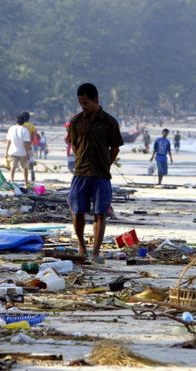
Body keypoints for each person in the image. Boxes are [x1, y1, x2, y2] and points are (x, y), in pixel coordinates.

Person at [68, 83, 124, 261]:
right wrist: (82, 159)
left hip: (101, 174)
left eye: (86, 102)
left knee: (100, 213)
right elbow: (74, 145)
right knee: (77, 211)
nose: (83, 106)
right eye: (80, 103)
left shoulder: (109, 122)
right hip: (81, 172)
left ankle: (96, 252)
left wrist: (105, 164)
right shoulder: (76, 121)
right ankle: (82, 246)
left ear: (96, 100)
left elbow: (114, 148)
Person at [5, 113, 32, 186]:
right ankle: (26, 182)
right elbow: (26, 143)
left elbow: (8, 142)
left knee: (13, 167)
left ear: (16, 121)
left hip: (12, 151)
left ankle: (12, 181)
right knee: (25, 168)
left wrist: (6, 152)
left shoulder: (11, 128)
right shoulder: (25, 130)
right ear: (24, 122)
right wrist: (27, 153)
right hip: (22, 152)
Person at [21, 112, 37, 182]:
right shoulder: (32, 126)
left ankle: (25, 177)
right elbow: (32, 137)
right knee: (30, 160)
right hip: (30, 145)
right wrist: (30, 145)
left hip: (21, 146)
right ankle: (32, 171)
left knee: (23, 162)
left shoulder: (20, 125)